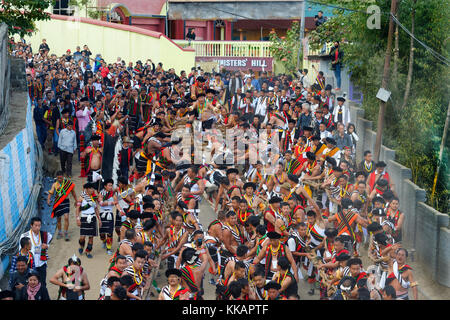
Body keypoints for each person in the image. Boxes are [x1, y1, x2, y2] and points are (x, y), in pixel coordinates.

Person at [19, 217, 52, 286]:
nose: (38, 228)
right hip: (30, 265)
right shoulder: (25, 236)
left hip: (41, 263)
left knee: (42, 284)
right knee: (31, 284)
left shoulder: (44, 234)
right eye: (36, 226)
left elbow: (49, 240)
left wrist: (47, 246)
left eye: (39, 226)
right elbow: (21, 251)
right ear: (31, 225)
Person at [47, 171, 77, 241]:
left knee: (66, 217)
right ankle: (60, 232)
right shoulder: (54, 184)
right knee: (59, 219)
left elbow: (73, 193)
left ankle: (66, 233)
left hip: (66, 202)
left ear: (63, 177)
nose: (60, 179)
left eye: (61, 178)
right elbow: (51, 192)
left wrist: (76, 200)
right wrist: (48, 199)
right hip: (58, 202)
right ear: (56, 178)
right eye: (58, 178)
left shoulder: (68, 184)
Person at [76, 182, 102, 258]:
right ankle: (81, 246)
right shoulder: (81, 197)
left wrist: (99, 219)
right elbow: (78, 208)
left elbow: (96, 209)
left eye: (93, 188)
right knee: (82, 237)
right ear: (87, 189)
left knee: (91, 237)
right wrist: (77, 218)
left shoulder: (94, 197)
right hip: (84, 218)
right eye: (90, 188)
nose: (92, 190)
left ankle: (88, 251)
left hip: (92, 218)